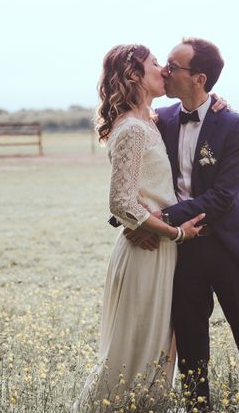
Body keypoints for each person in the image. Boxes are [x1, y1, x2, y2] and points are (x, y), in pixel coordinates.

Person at [124, 38, 239, 412]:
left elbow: (224, 196)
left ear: (199, 78)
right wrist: (128, 216)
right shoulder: (158, 122)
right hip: (181, 250)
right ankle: (197, 407)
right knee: (191, 342)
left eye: (173, 67)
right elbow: (132, 173)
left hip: (228, 246)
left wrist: (160, 219)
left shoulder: (234, 124)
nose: (164, 71)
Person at [73, 44, 214, 411]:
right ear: (135, 74)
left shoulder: (149, 120)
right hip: (145, 252)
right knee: (134, 344)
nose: (164, 70)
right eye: (156, 65)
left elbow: (141, 193)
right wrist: (176, 232)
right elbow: (121, 201)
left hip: (158, 247)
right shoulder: (133, 129)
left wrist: (216, 101)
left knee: (155, 344)